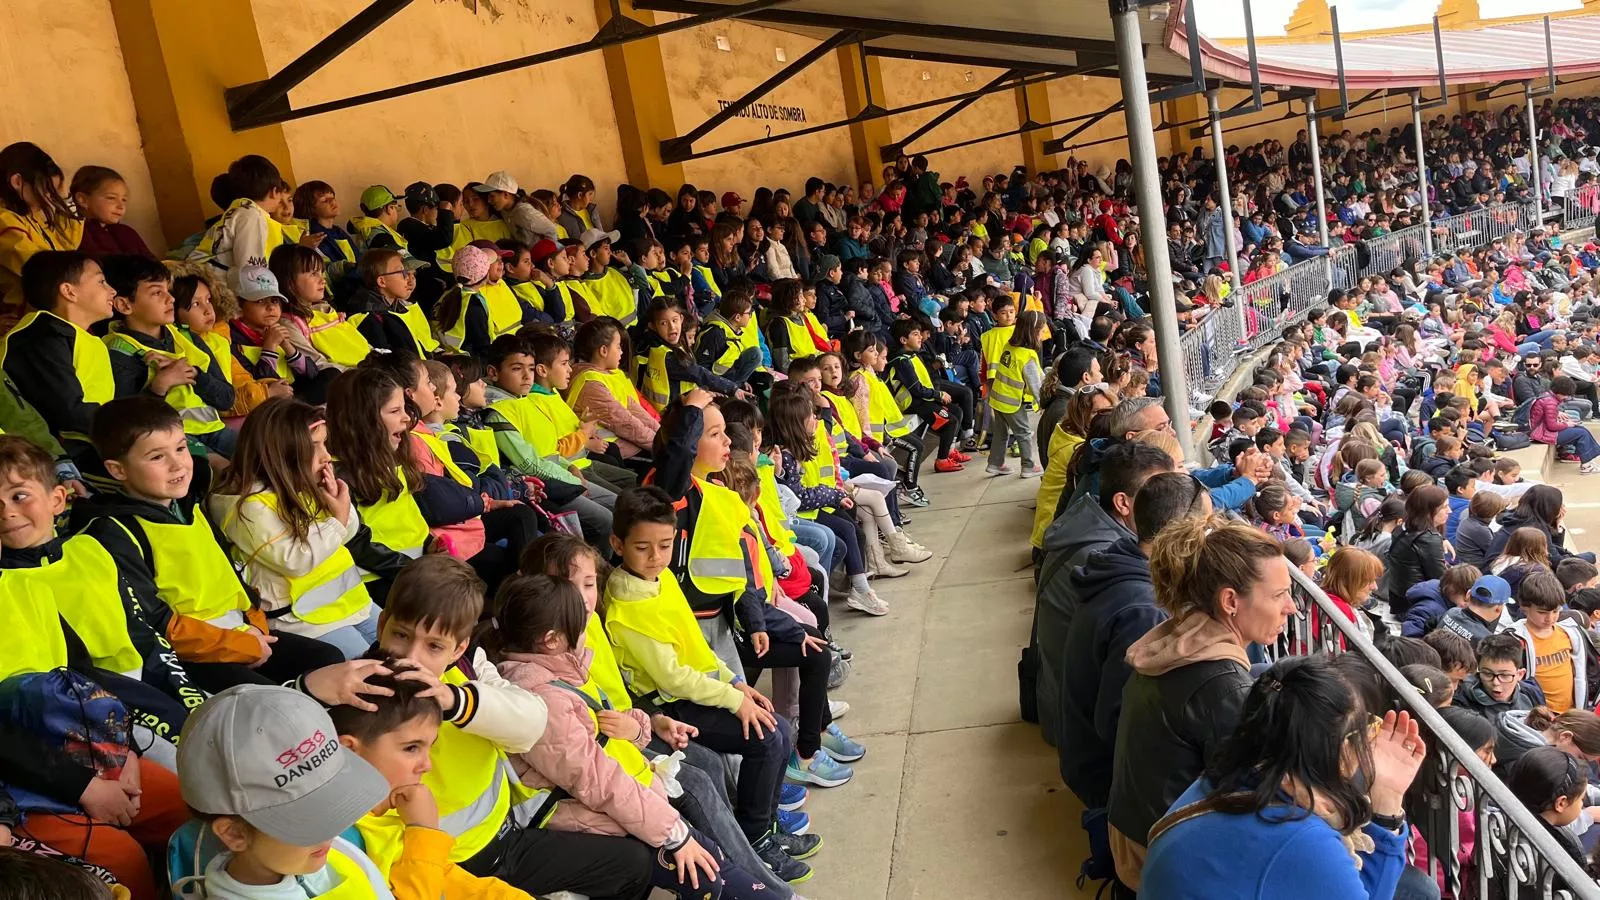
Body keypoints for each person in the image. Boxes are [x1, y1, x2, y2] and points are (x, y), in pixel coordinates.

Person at [489, 575, 775, 899]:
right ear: (552, 640)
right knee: (705, 874)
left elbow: (607, 727)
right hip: (586, 815)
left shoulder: (555, 674)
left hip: (618, 798)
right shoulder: (545, 700)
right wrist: (674, 834)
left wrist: (639, 728)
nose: (587, 628)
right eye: (580, 625)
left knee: (707, 857)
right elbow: (599, 782)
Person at [74, 396, 344, 691]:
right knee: (273, 697)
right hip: (192, 655)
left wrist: (254, 625)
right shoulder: (115, 532)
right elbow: (154, 622)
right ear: (118, 470)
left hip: (241, 632)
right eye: (157, 457)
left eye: (181, 448)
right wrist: (238, 645)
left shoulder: (191, 506)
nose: (177, 464)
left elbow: (232, 574)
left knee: (327, 660)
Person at [600, 486, 796, 852]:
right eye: (642, 548)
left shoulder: (662, 580)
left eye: (664, 545)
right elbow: (672, 678)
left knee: (779, 729)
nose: (655, 557)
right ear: (617, 544)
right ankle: (757, 838)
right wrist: (733, 700)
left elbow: (695, 645)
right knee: (767, 738)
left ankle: (766, 825)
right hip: (671, 705)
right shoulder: (627, 607)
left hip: (698, 688)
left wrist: (734, 682)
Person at [177, 683, 497, 900]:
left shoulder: (319, 855)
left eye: (334, 798)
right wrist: (424, 837)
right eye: (310, 817)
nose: (334, 828)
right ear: (234, 834)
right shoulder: (317, 856)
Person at [1140, 656, 1423, 900]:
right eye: (1366, 729)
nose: (1368, 743)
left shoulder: (1229, 778)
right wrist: (1387, 803)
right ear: (1337, 749)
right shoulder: (1301, 840)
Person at [1108, 517, 1292, 890]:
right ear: (1230, 601)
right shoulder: (1223, 689)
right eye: (1278, 596)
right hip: (1156, 859)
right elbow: (1259, 806)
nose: (1290, 607)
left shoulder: (1179, 636)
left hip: (1130, 833)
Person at [1058, 471, 1209, 808]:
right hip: (1106, 781)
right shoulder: (1144, 610)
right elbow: (1121, 722)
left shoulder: (1122, 564)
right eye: (1207, 527)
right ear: (1183, 533)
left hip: (1086, 756)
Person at [208, 397, 381, 660]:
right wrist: (337, 518)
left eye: (324, 443)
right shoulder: (246, 506)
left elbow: (345, 534)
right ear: (282, 452)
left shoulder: (300, 483)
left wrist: (340, 506)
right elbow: (296, 560)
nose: (326, 456)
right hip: (305, 623)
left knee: (410, 656)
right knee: (381, 676)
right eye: (314, 446)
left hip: (353, 604)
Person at [101, 254, 236, 459]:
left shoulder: (187, 336)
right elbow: (128, 425)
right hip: (170, 441)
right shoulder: (119, 351)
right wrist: (159, 386)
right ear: (124, 305)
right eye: (157, 292)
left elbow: (227, 399)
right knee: (222, 470)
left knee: (269, 455)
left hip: (215, 431)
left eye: (168, 290)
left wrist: (194, 374)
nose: (171, 298)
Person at [1, 251, 116, 479]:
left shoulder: (82, 337)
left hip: (96, 441)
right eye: (101, 281)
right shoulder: (40, 335)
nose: (112, 290)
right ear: (69, 291)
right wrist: (126, 425)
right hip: (65, 456)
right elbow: (66, 410)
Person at [0, 143, 83, 324]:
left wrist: (65, 196)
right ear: (17, 182)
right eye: (47, 190)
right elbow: (43, 269)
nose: (50, 197)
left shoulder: (31, 219)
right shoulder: (5, 222)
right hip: (24, 321)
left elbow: (69, 245)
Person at [1503, 747, 1590, 894]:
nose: (1583, 804)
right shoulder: (1564, 856)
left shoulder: (1500, 820)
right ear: (1561, 803)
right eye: (1581, 799)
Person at [1506, 571, 1589, 714]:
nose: (1550, 618)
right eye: (1542, 612)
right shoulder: (1514, 639)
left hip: (1570, 713)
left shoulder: (1570, 633)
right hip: (1537, 715)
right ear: (1525, 607)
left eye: (1555, 611)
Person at [986, 310, 1048, 478]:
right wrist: (1044, 404)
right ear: (1034, 331)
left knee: (1000, 433)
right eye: (1042, 330)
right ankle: (1028, 466)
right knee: (1024, 433)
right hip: (1011, 402)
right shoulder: (1027, 356)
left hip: (997, 398)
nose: (1043, 334)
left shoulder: (1009, 346)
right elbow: (1035, 385)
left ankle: (995, 464)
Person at [1386, 485, 1450, 617]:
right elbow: (1441, 580)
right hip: (1415, 607)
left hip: (1398, 601)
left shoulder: (1402, 528)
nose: (1449, 511)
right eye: (1444, 507)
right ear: (1429, 511)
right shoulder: (1428, 539)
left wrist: (1442, 539)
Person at [1454, 631, 1545, 723]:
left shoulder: (1531, 694)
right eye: (1487, 673)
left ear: (1520, 674)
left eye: (1504, 675)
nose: (1495, 682)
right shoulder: (1461, 698)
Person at [70, 166, 153, 260]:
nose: (121, 206)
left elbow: (154, 265)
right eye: (111, 198)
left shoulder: (127, 233)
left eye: (124, 200)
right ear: (83, 199)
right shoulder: (76, 235)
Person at [1529, 376, 1600, 473]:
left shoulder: (1547, 396)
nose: (1566, 397)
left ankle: (1587, 460)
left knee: (1582, 429)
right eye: (1565, 395)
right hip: (1543, 434)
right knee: (1581, 434)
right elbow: (1552, 426)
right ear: (1560, 392)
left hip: (1543, 430)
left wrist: (1560, 417)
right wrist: (1567, 424)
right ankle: (1586, 465)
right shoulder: (1550, 402)